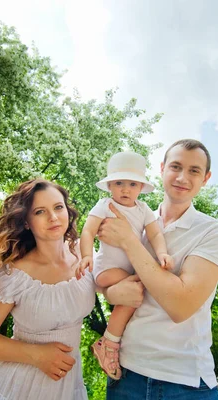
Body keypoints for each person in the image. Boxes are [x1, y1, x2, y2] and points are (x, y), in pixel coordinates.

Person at [0, 178, 144, 400]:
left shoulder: (82, 252)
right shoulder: (15, 274)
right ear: (27, 222)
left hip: (66, 386)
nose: (53, 217)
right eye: (40, 212)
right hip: (14, 387)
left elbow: (105, 286)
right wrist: (36, 355)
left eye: (58, 207)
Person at [98, 139, 218, 399]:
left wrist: (128, 240)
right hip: (125, 375)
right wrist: (110, 293)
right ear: (161, 169)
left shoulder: (213, 231)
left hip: (184, 382)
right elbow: (108, 274)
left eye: (194, 170)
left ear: (206, 178)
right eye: (176, 166)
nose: (182, 177)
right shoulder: (134, 218)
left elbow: (180, 305)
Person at [74, 151, 173, 381]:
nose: (125, 189)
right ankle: (109, 341)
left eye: (132, 184)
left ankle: (110, 341)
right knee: (141, 285)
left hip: (125, 272)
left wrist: (162, 253)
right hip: (107, 269)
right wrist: (86, 255)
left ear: (141, 187)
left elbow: (155, 234)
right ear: (110, 186)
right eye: (119, 183)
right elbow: (88, 231)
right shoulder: (105, 205)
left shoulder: (143, 210)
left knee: (134, 296)